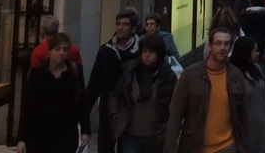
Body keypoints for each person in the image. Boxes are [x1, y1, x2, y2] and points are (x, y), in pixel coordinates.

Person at [163, 25, 245, 153]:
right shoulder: (190, 75)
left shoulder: (236, 76)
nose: (222, 48)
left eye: (226, 44)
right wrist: (170, 148)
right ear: (210, 46)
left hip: (227, 146)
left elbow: (243, 114)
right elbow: (175, 115)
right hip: (196, 146)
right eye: (218, 43)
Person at [17, 33, 90, 153]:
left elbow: (82, 101)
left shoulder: (73, 72)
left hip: (66, 134)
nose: (61, 53)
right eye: (57, 49)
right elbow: (27, 106)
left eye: (65, 49)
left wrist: (85, 130)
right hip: (40, 134)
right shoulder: (37, 74)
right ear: (49, 52)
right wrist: (21, 138)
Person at [108, 33, 177, 153]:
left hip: (155, 137)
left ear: (159, 54)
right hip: (130, 134)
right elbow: (115, 95)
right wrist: (115, 116)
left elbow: (174, 106)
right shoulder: (130, 72)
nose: (147, 55)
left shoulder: (167, 77)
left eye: (151, 52)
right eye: (144, 51)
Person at [87, 9, 141, 153]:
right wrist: (84, 115)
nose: (120, 28)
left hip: (132, 110)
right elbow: (94, 83)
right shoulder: (106, 50)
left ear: (134, 28)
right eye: (118, 24)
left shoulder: (142, 52)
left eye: (125, 24)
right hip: (108, 110)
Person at [230, 36, 265, 153]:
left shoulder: (256, 69)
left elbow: (263, 101)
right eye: (255, 51)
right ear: (246, 53)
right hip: (244, 133)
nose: (258, 53)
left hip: (261, 131)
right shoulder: (233, 74)